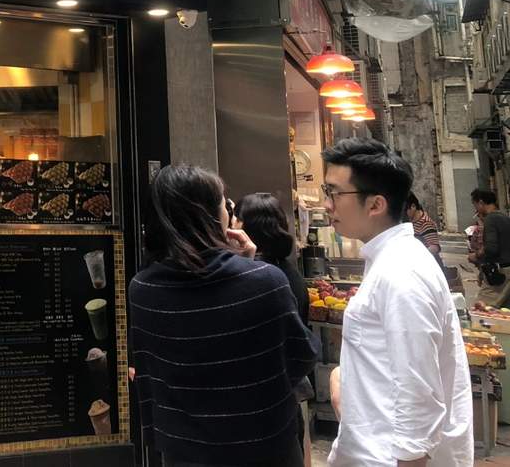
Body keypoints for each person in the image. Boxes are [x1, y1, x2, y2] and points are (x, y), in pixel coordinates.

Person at [128, 164, 317, 466]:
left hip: (185, 454)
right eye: (225, 204)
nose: (229, 210)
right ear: (210, 216)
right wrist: (252, 267)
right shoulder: (266, 281)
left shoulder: (142, 289)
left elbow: (153, 374)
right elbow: (301, 357)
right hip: (263, 449)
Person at [322, 139, 473, 467]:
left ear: (375, 204)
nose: (326, 204)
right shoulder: (389, 259)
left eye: (333, 192)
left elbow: (418, 396)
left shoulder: (402, 272)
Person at [235, 192, 314, 467]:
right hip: (284, 402)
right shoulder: (287, 272)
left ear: (245, 226)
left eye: (235, 217)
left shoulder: (261, 278)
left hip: (262, 410)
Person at [404, 192, 444, 264]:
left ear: (413, 206)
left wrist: (417, 258)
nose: (403, 214)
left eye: (405, 210)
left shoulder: (426, 223)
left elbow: (435, 247)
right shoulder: (411, 222)